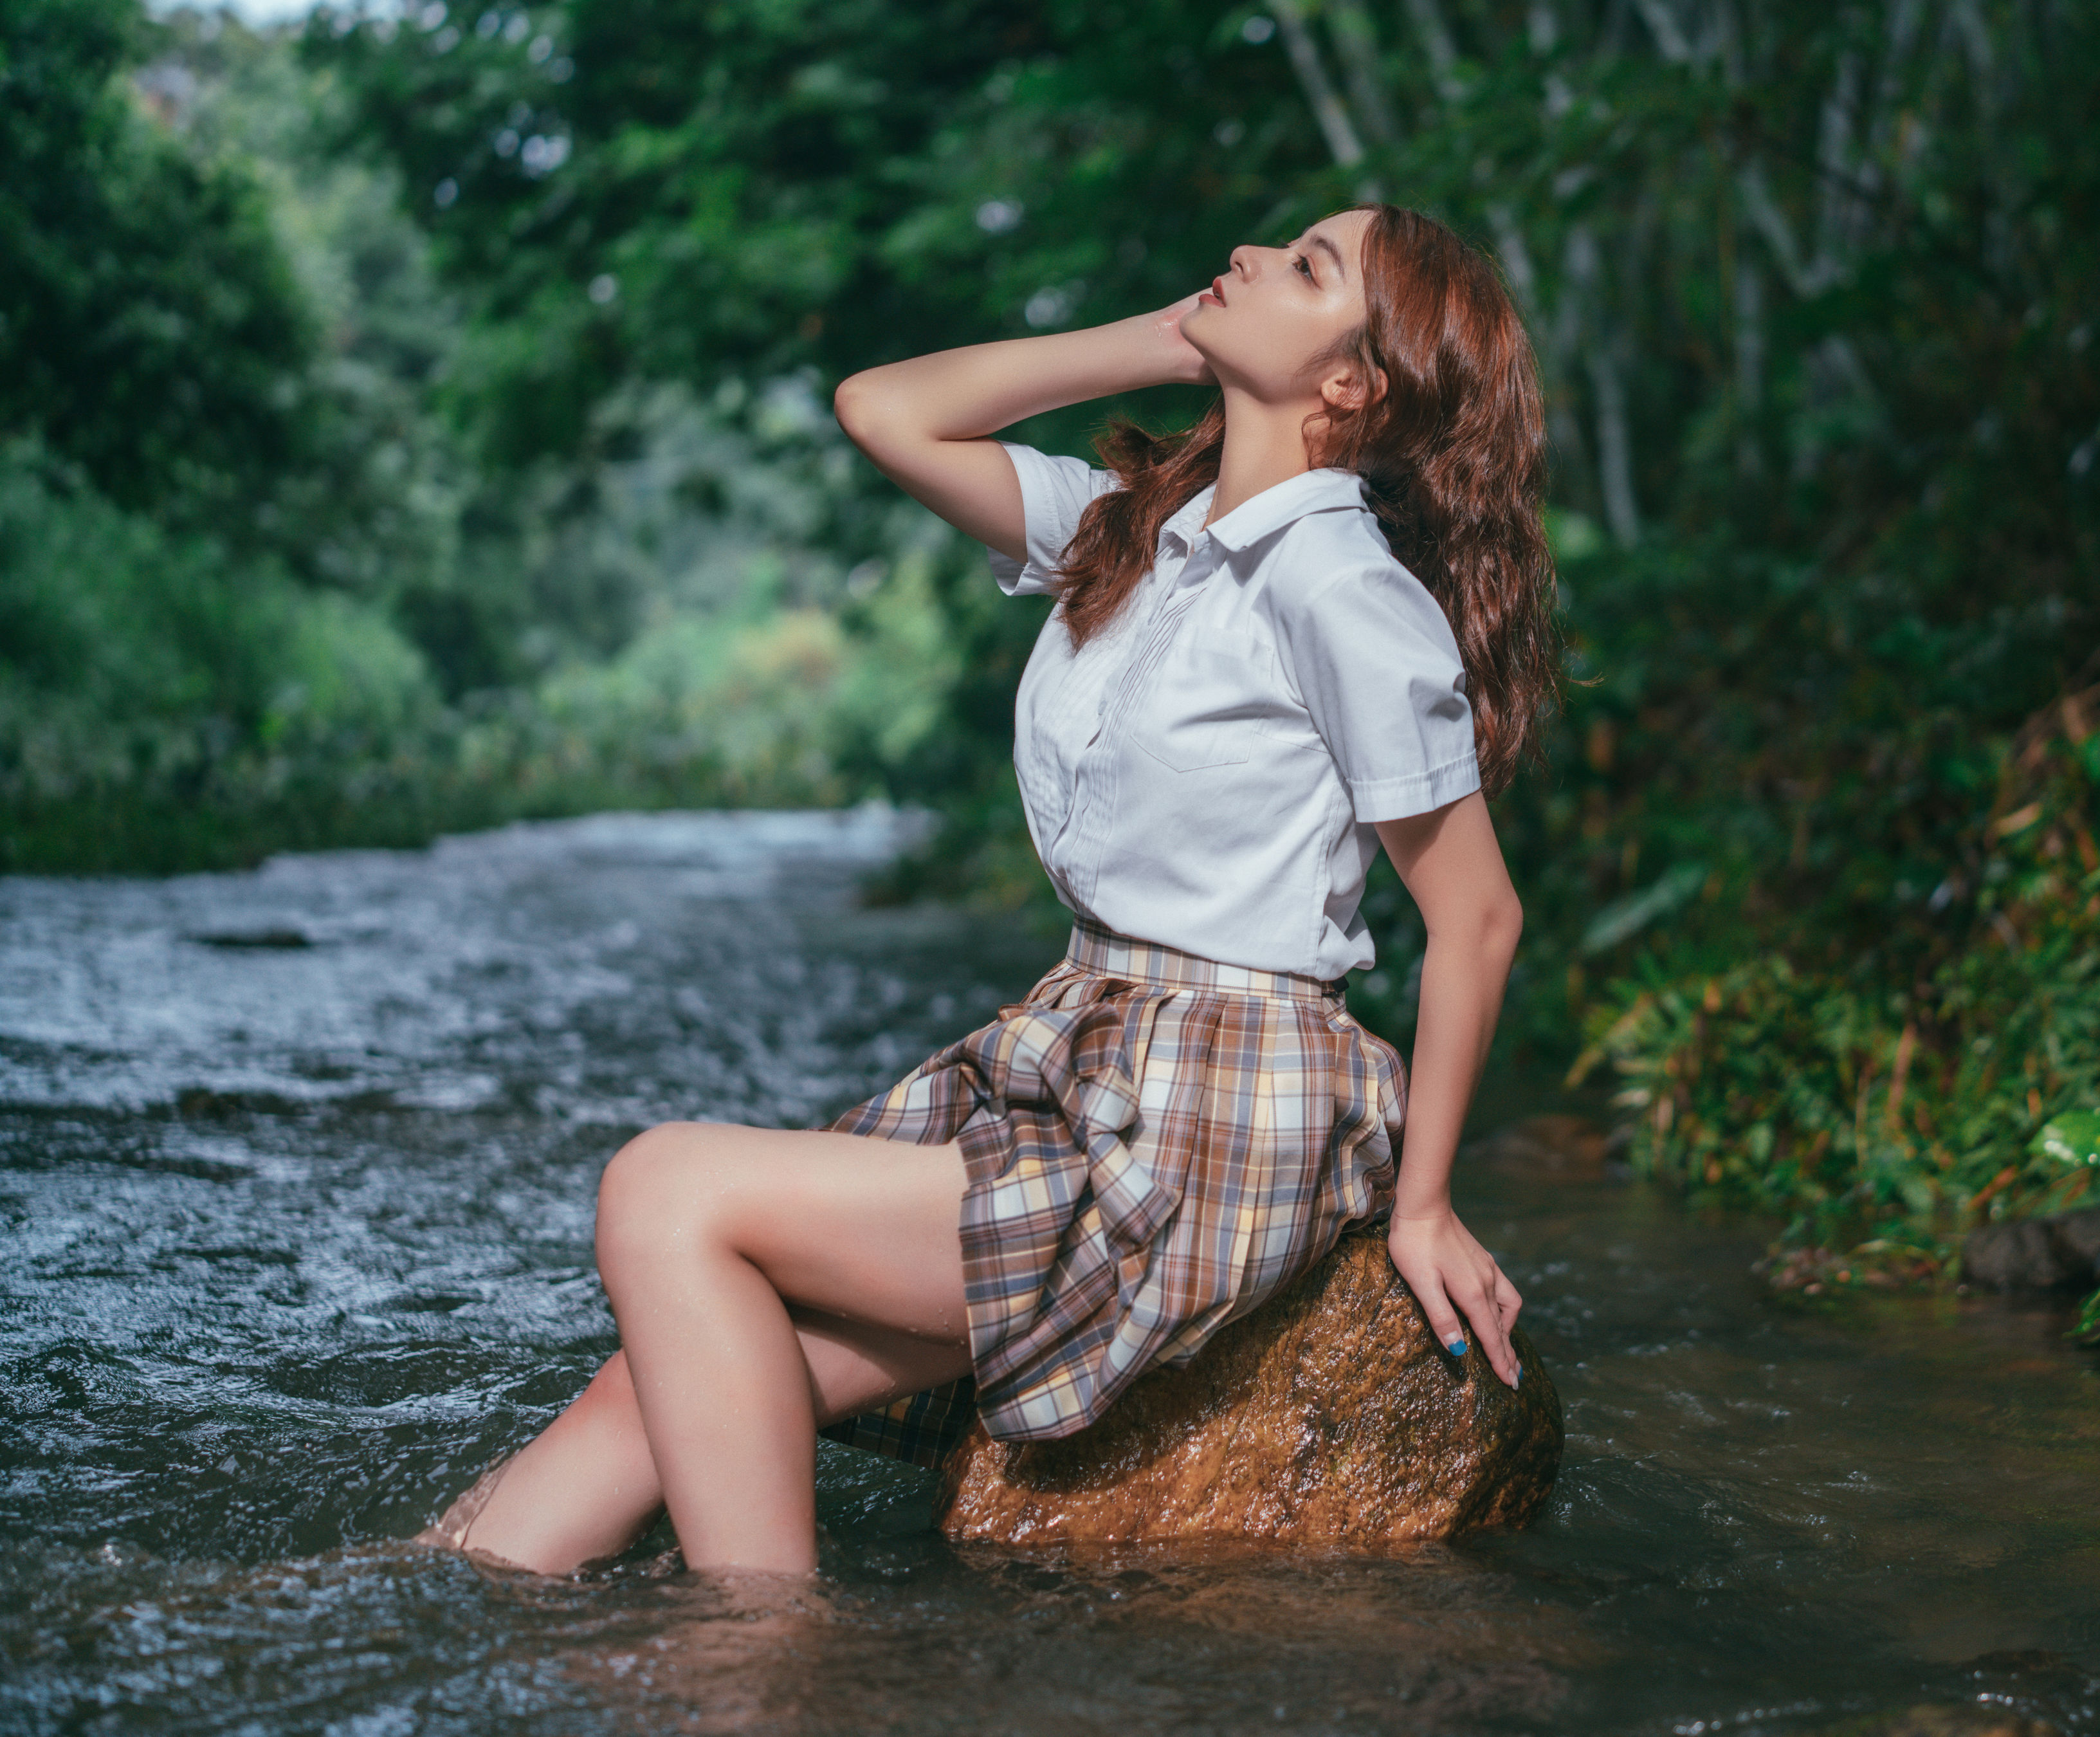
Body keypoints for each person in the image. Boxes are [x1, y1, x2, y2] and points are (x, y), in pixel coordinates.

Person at [424, 203, 1562, 1579]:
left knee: (663, 1191)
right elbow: (884, 410)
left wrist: (1424, 1204)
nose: (1255, 253)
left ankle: (761, 1676)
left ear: (1350, 385)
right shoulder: (1132, 532)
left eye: (1306, 268)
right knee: (664, 1388)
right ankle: (399, 1606)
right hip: (1080, 1050)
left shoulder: (1337, 587)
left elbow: (1475, 917)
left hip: (1213, 1102)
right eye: (1275, 242)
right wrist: (1164, 336)